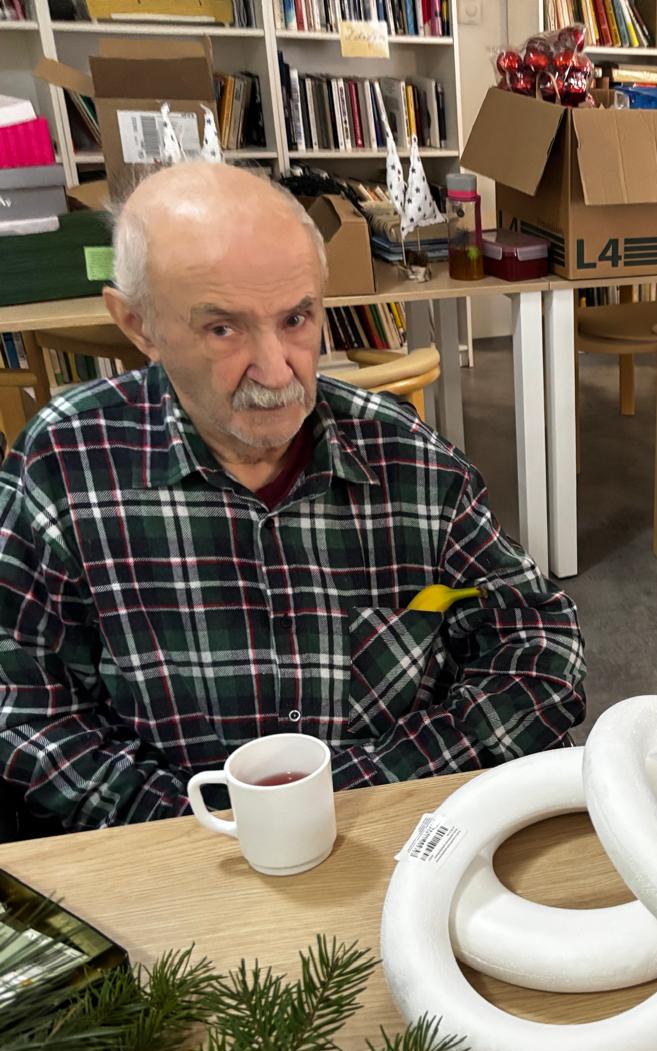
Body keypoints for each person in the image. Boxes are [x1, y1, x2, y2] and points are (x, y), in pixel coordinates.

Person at [0, 162, 585, 834]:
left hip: (387, 839)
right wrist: (197, 825)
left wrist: (359, 796)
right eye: (223, 329)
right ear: (139, 325)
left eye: (297, 319)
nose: (277, 371)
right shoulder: (64, 465)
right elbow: (22, 704)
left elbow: (539, 644)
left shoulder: (410, 461)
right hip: (175, 852)